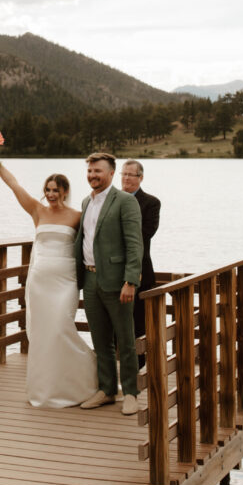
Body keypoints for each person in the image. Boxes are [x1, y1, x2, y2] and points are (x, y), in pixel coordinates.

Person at [0, 160, 99, 408]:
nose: (51, 195)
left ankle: (87, 379)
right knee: (42, 335)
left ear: (65, 192)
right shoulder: (37, 211)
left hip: (66, 280)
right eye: (48, 190)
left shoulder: (77, 216)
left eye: (56, 190)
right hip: (40, 281)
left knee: (62, 328)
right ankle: (46, 387)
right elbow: (13, 184)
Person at [74, 152, 144, 415]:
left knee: (125, 339)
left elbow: (134, 244)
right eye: (90, 171)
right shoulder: (85, 202)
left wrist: (130, 281)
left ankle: (130, 393)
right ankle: (106, 390)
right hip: (90, 279)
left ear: (111, 173)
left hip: (117, 281)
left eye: (98, 171)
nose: (93, 175)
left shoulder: (125, 201)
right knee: (100, 339)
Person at [120, 159, 160, 370]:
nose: (126, 178)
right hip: (114, 271)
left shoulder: (151, 203)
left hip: (140, 271)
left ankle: (139, 369)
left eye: (131, 175)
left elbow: (145, 234)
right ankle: (121, 367)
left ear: (140, 178)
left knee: (138, 322)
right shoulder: (111, 199)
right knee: (117, 323)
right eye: (123, 174)